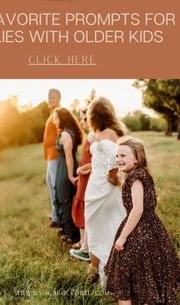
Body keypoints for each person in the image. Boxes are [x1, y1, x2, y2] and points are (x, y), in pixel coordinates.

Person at [104, 136, 180, 305]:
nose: (118, 159)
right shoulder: (139, 174)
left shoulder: (135, 178)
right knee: (144, 275)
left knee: (129, 271)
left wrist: (123, 237)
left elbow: (137, 209)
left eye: (123, 156)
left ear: (137, 158)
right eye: (117, 156)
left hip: (141, 232)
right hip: (151, 228)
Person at [85, 97, 126, 283]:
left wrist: (111, 177)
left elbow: (113, 157)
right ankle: (99, 267)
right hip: (105, 187)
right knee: (111, 226)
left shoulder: (106, 136)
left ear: (94, 116)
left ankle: (102, 271)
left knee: (97, 228)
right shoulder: (114, 133)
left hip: (101, 189)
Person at [53, 107, 83, 243]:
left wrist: (70, 176)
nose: (54, 121)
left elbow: (69, 157)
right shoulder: (66, 133)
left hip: (66, 170)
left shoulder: (65, 135)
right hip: (63, 168)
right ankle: (67, 231)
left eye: (56, 118)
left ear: (62, 119)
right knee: (65, 198)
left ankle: (71, 235)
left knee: (66, 200)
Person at [69, 108, 94, 262]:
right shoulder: (89, 134)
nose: (82, 121)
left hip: (88, 176)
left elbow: (100, 159)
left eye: (84, 118)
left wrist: (82, 169)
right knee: (80, 206)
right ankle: (84, 243)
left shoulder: (95, 136)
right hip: (83, 176)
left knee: (85, 207)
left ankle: (86, 248)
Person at [43, 88, 61, 228]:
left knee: (55, 187)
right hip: (50, 155)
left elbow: (61, 133)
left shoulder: (58, 113)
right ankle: (55, 213)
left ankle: (57, 217)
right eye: (49, 97)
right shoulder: (52, 113)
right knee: (50, 184)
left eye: (53, 97)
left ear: (59, 99)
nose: (50, 99)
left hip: (55, 155)